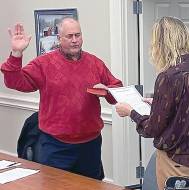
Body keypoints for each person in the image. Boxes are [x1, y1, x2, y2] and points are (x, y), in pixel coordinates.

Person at [1, 17, 122, 180]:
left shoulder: (95, 63)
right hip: (55, 145)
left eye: (77, 35)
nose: (75, 41)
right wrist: (16, 53)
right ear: (59, 38)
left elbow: (117, 90)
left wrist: (108, 91)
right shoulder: (44, 64)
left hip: (90, 145)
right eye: (69, 36)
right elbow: (15, 82)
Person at [115, 16, 189, 190]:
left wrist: (131, 112)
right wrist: (158, 104)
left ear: (161, 43)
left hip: (177, 162)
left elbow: (152, 129)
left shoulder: (168, 77)